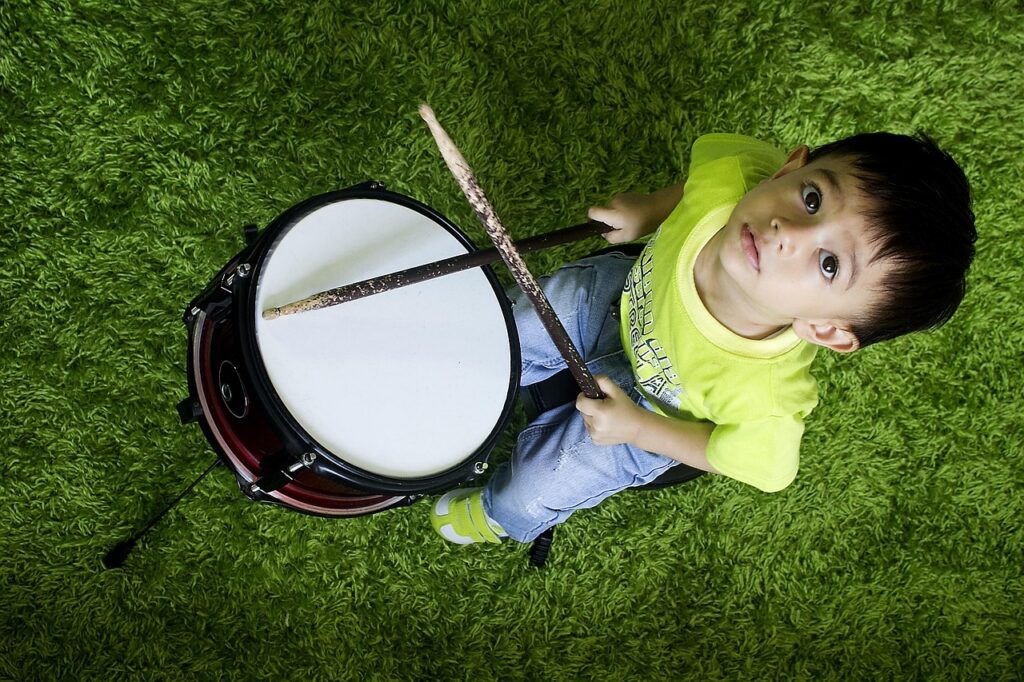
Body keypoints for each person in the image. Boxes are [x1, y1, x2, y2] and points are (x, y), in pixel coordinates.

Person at [429, 132, 976, 545]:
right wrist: (648, 210)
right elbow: (701, 184)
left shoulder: (768, 397)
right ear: (790, 167)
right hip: (615, 299)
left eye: (830, 264)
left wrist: (641, 429)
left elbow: (756, 466)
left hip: (658, 408)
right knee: (498, 341)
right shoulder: (734, 177)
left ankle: (498, 514)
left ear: (827, 329)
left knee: (540, 488)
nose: (791, 233)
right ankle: (456, 386)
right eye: (812, 199)